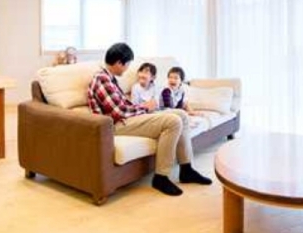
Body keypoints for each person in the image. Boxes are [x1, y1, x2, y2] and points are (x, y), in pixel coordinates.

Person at [87, 43, 211, 196]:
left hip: (127, 118)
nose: (127, 69)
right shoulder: (102, 79)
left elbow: (124, 105)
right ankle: (161, 177)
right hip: (116, 125)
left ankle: (187, 169)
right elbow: (119, 112)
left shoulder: (110, 78)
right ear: (119, 63)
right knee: (173, 122)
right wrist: (145, 107)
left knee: (182, 115)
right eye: (128, 64)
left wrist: (144, 108)